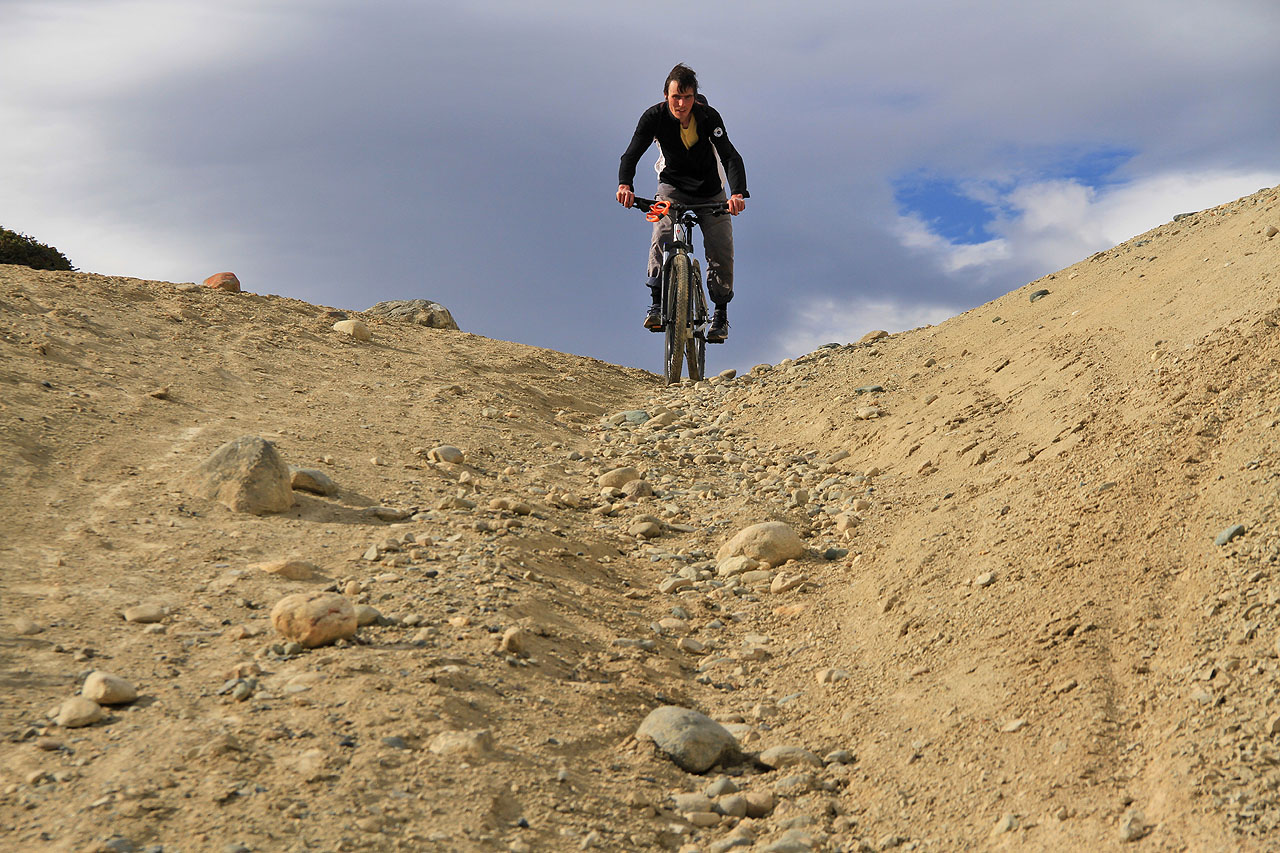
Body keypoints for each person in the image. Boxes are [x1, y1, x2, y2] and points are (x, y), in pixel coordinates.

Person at [617, 63, 748, 343]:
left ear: (695, 97)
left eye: (687, 97)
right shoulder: (653, 118)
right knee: (661, 234)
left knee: (721, 246)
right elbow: (631, 154)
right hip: (672, 189)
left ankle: (720, 314)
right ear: (666, 95)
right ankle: (656, 303)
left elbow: (730, 156)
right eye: (676, 96)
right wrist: (625, 185)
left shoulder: (708, 117)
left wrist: (737, 194)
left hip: (710, 192)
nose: (681, 103)